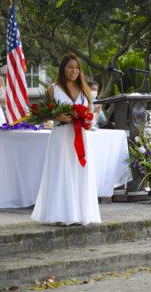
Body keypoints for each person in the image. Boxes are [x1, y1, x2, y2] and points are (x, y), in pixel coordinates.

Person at [31, 53, 101, 225]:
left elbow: (92, 114)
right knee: (61, 171)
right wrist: (58, 117)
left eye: (77, 68)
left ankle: (79, 214)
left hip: (81, 138)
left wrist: (88, 118)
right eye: (70, 67)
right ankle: (60, 215)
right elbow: (42, 113)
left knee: (78, 172)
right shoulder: (53, 89)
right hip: (61, 137)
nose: (74, 71)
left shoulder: (85, 90)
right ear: (63, 69)